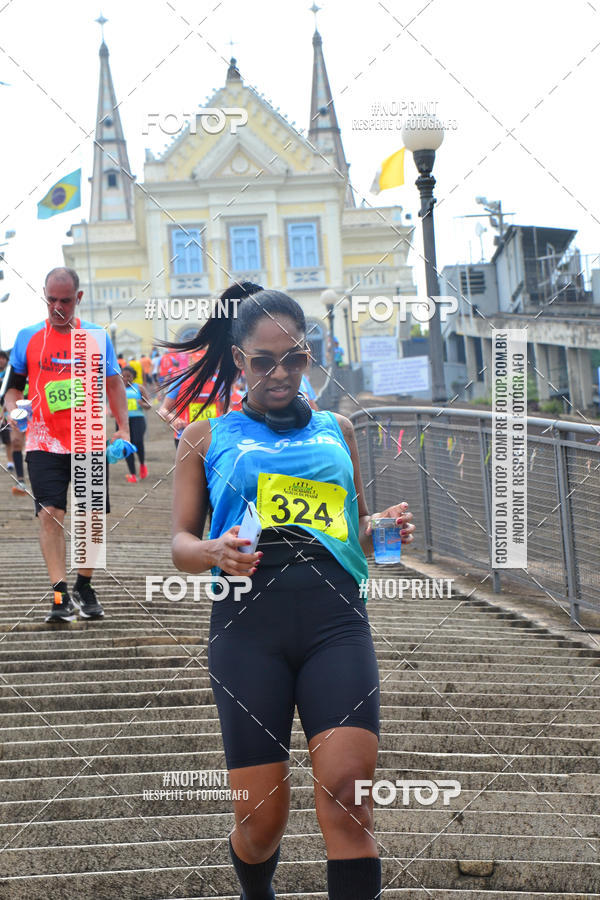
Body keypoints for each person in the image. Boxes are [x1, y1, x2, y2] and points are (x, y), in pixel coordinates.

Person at [170, 287, 414, 900]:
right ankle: (255, 886)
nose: (280, 373)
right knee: (260, 822)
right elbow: (180, 542)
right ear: (238, 360)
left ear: (310, 354)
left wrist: (377, 527)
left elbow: (345, 525)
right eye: (263, 361)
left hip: (336, 623)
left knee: (350, 795)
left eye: (295, 357)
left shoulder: (339, 429)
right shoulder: (205, 438)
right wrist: (213, 552)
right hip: (248, 631)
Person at [3, 267, 129, 623]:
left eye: (66, 301)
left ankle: (84, 586)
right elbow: (12, 387)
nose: (58, 307)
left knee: (91, 519)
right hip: (42, 440)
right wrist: (15, 408)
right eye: (52, 300)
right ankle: (59, 596)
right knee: (50, 514)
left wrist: (124, 429)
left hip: (88, 437)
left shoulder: (96, 336)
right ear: (44, 295)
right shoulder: (28, 337)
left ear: (79, 299)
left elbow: (115, 384)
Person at [121, 365, 151, 482]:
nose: (126, 379)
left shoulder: (139, 388)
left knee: (138, 443)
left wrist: (142, 404)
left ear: (133, 377)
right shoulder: (117, 388)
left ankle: (142, 465)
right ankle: (132, 474)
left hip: (138, 419)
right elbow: (112, 409)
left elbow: (149, 405)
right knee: (126, 446)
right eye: (124, 376)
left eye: (129, 376)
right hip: (123, 422)